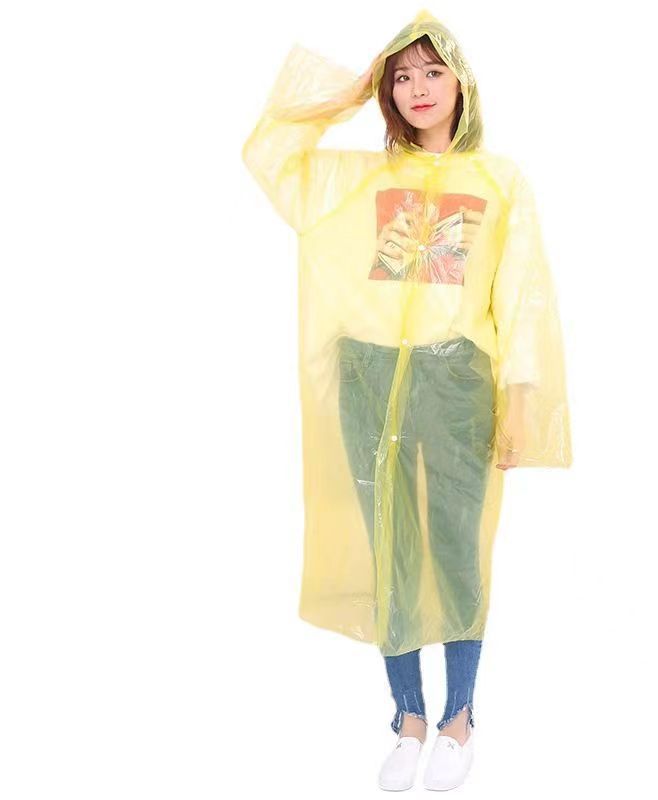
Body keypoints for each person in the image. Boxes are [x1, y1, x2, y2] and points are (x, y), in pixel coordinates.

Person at [242, 9, 572, 792]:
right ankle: (407, 718)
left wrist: (520, 402)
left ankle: (459, 718)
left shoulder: (499, 180)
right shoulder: (360, 175)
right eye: (401, 76)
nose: (418, 88)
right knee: (388, 545)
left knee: (458, 549)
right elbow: (269, 152)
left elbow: (521, 297)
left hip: (456, 381)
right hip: (368, 375)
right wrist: (346, 94)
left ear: (461, 83)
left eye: (432, 71)